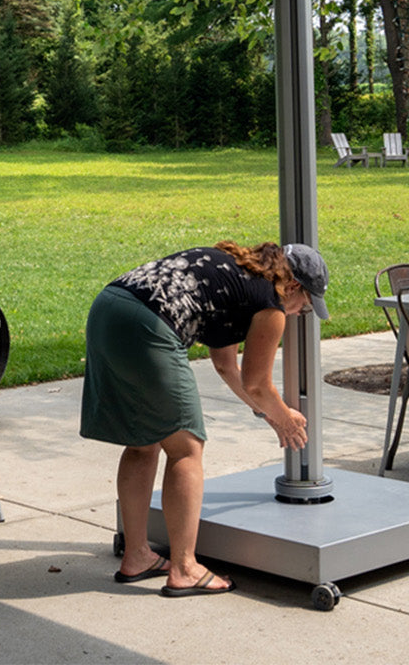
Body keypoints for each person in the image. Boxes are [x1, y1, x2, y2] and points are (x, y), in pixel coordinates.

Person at [80, 240, 330, 597]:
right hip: (149, 326)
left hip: (109, 309)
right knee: (185, 449)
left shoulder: (236, 273)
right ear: (293, 287)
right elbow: (258, 384)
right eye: (303, 306)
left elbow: (227, 367)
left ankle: (137, 556)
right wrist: (286, 419)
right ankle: (184, 567)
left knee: (143, 441)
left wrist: (269, 415)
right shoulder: (269, 304)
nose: (296, 313)